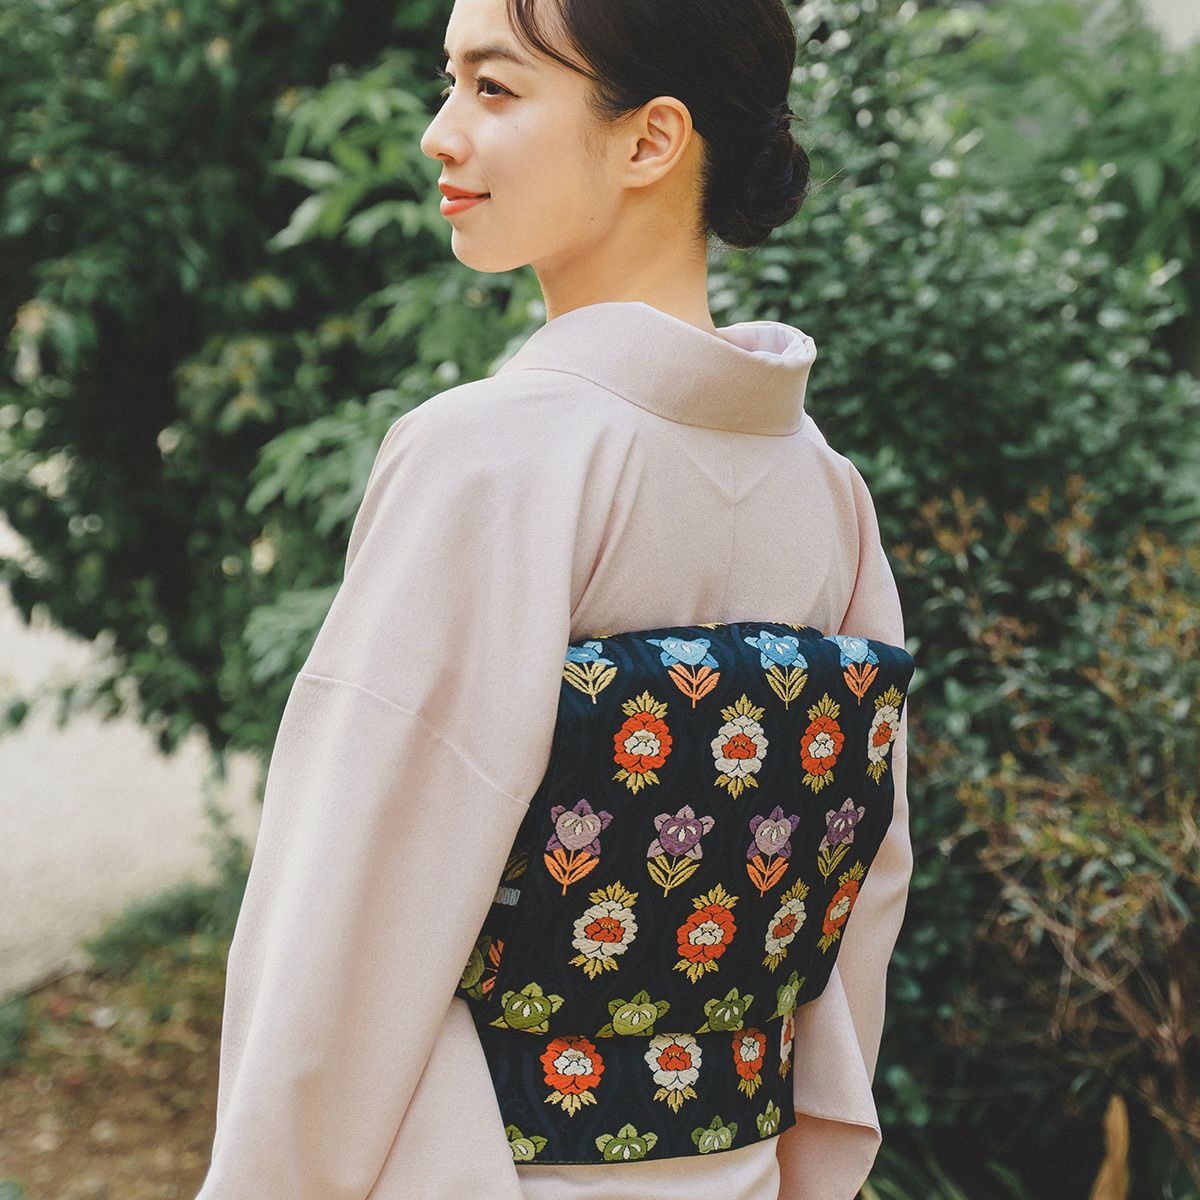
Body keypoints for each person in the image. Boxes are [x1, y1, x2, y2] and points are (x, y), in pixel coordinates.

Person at [194, 0, 915, 1197]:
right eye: (449, 82)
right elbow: (864, 883)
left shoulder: (488, 458)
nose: (439, 132)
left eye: (494, 87)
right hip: (737, 1164)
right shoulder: (824, 490)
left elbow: (350, 907)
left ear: (649, 138)